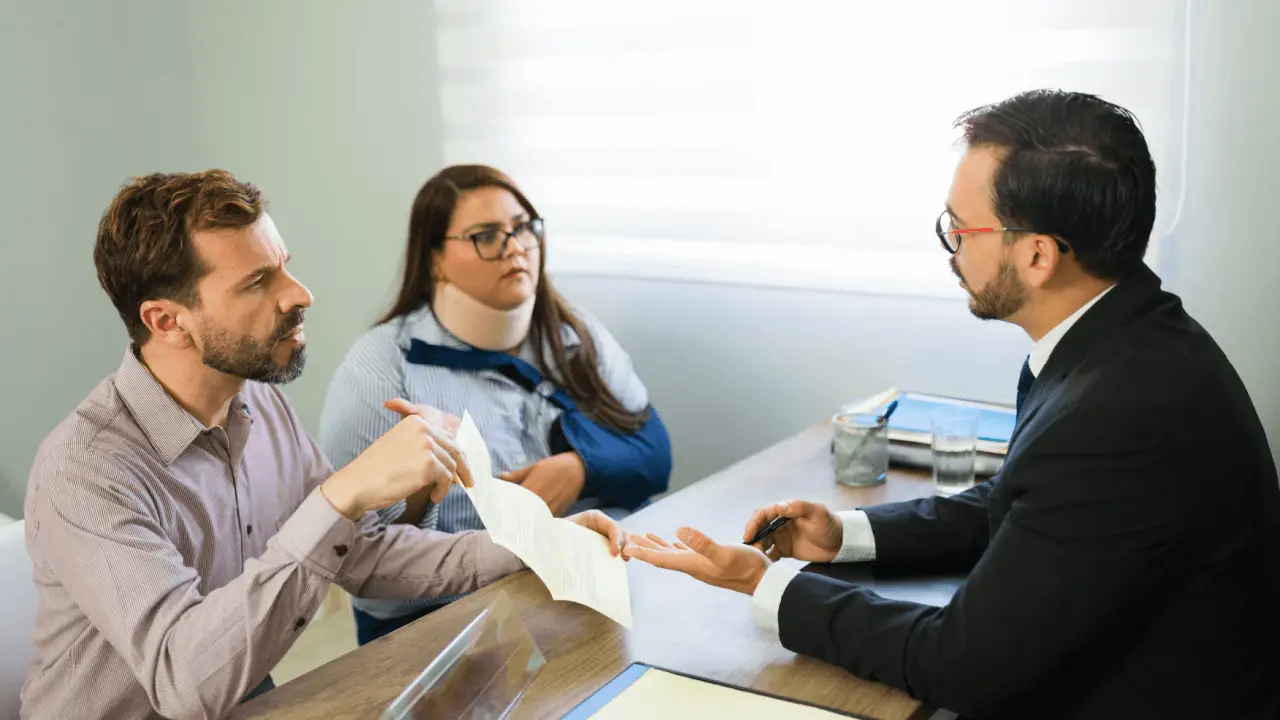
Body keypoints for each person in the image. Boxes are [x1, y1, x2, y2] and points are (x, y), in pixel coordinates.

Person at [625, 90, 1280, 719]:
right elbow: (1018, 505)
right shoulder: (1125, 336)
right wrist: (845, 536)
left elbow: (961, 664)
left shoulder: (1118, 414)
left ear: (1037, 255)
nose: (951, 249)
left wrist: (763, 585)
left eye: (960, 230)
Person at [20, 170, 627, 720]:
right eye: (259, 281)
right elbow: (184, 684)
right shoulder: (88, 470)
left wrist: (537, 543)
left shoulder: (257, 402)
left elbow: (359, 554)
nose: (299, 293)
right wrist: (341, 495)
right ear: (167, 321)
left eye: (284, 265)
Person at [319, 164, 670, 644]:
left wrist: (582, 467)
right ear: (435, 260)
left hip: (594, 587)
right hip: (462, 617)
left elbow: (655, 455)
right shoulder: (381, 369)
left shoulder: (573, 333)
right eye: (487, 235)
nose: (516, 248)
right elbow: (365, 571)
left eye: (524, 228)